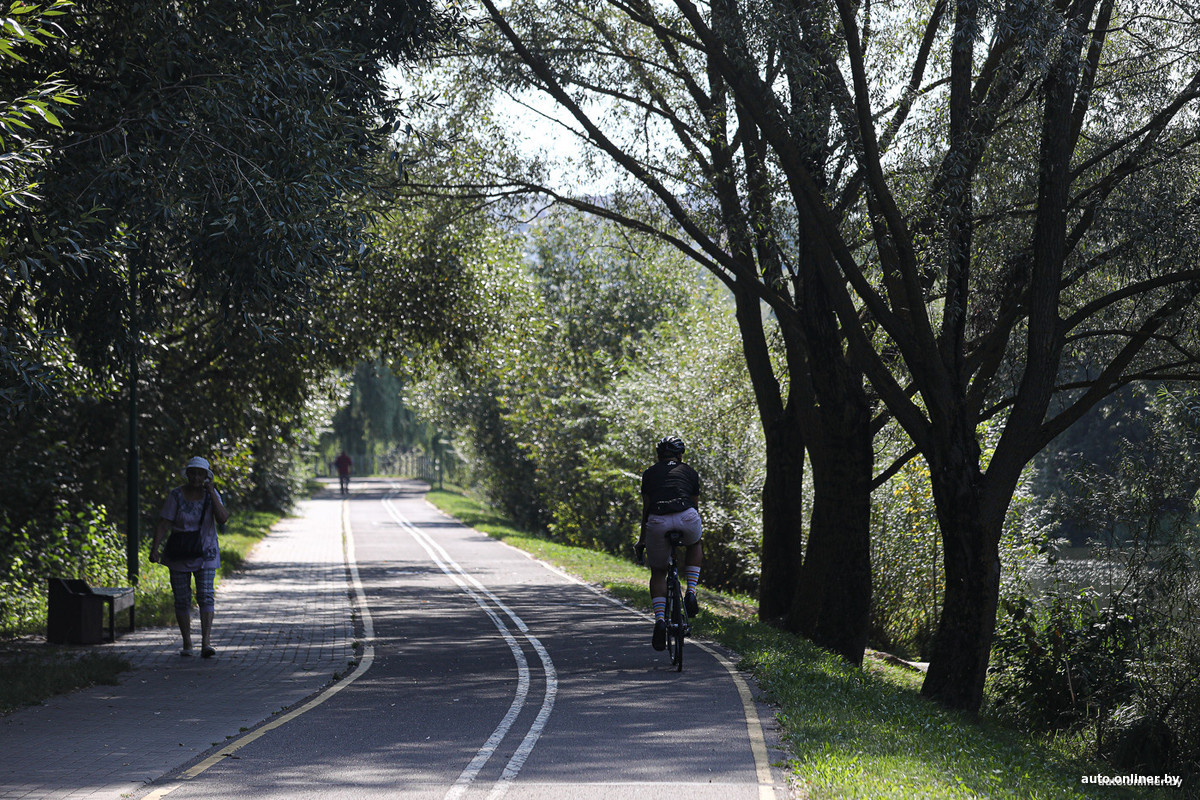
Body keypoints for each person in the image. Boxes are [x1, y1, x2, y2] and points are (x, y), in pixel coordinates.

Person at [150, 456, 230, 658]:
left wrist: (211, 491)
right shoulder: (176, 495)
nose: (196, 477)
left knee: (205, 595)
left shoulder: (211, 494)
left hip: (205, 552)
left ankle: (206, 642)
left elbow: (222, 518)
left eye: (200, 473)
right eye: (192, 473)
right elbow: (163, 523)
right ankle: (187, 642)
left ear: (206, 476)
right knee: (182, 598)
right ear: (187, 474)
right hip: (179, 552)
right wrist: (155, 548)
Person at [635, 435, 703, 652]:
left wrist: (642, 540)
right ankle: (691, 591)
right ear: (680, 455)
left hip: (658, 519)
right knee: (695, 544)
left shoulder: (649, 473)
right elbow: (695, 505)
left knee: (658, 572)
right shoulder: (689, 472)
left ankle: (660, 621)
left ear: (658, 456)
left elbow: (646, 509)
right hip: (687, 516)